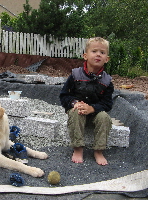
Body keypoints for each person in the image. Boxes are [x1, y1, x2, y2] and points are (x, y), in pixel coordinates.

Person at [59, 37, 114, 166]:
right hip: (78, 110)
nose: (98, 54)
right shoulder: (75, 75)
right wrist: (74, 103)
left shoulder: (107, 81)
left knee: (105, 117)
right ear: (85, 55)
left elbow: (107, 104)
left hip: (95, 112)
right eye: (94, 51)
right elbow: (64, 95)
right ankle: (78, 148)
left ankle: (99, 150)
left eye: (102, 52)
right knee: (76, 112)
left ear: (107, 59)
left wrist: (92, 108)